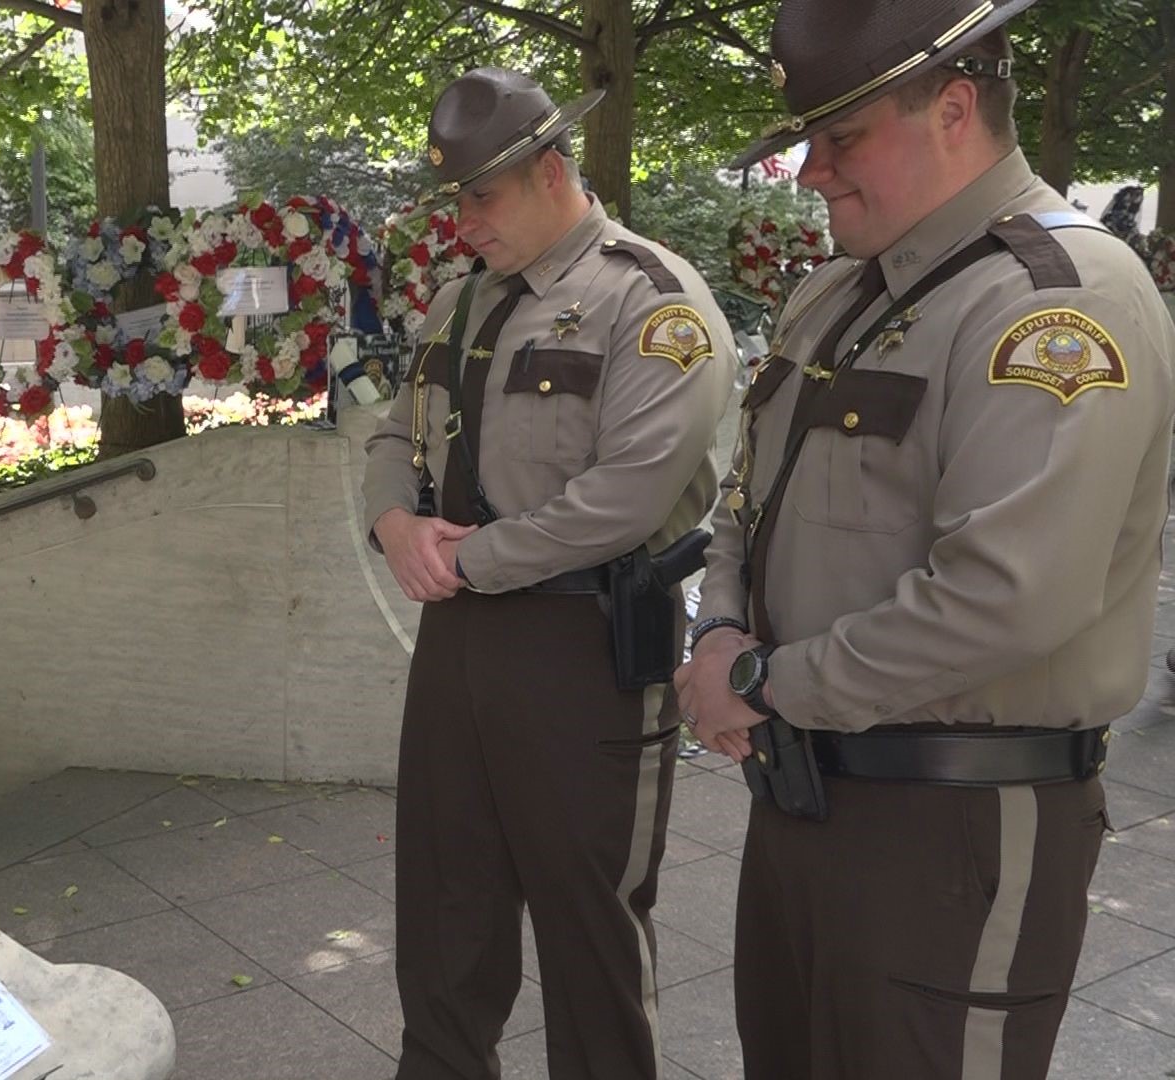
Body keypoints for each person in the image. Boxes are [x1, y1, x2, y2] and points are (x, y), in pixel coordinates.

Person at [673, 1, 1175, 1076]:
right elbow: (747, 501)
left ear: (954, 109)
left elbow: (1006, 598)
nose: (811, 171)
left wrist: (758, 682)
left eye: (842, 138)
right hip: (808, 794)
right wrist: (719, 631)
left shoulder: (1053, 305)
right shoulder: (839, 294)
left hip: (957, 826)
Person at [362, 67, 734, 1079]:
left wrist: (465, 557)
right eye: (455, 202)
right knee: (444, 908)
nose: (463, 225)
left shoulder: (650, 302)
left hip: (585, 648)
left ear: (552, 171)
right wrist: (396, 521)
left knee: (589, 925)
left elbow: (629, 496)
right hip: (460, 640)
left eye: (481, 197)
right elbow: (397, 429)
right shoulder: (459, 303)